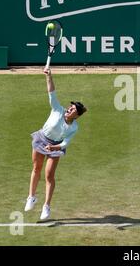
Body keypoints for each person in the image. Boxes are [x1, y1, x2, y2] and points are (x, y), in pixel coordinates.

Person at [24, 67, 87, 220]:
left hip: (55, 146)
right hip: (41, 139)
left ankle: (46, 206)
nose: (69, 108)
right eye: (70, 107)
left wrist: (53, 147)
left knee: (49, 175)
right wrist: (49, 76)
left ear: (76, 116)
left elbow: (65, 142)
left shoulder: (74, 127)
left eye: (73, 109)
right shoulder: (57, 109)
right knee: (36, 168)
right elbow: (51, 92)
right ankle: (31, 197)